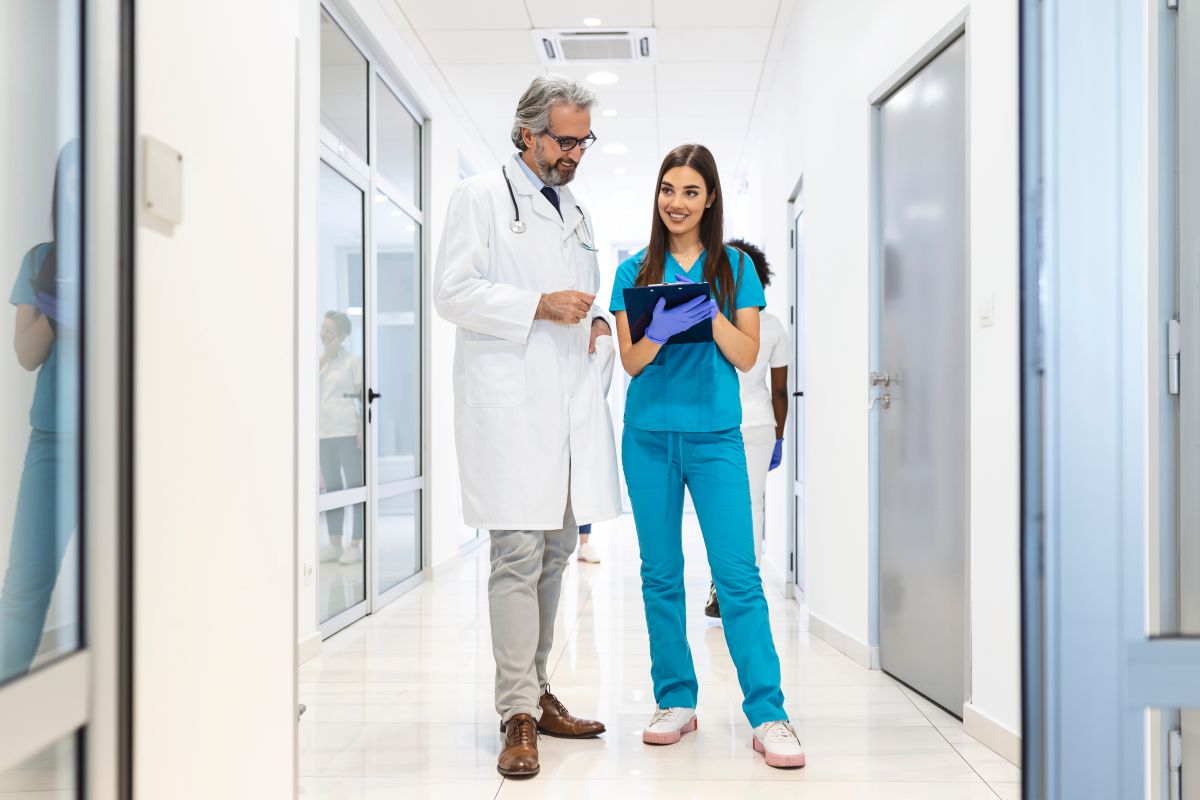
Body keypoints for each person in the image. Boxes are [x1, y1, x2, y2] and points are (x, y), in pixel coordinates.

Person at [433, 74, 621, 779]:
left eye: (583, 141)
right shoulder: (479, 197)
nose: (574, 153)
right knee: (515, 553)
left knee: (554, 553)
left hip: (565, 409)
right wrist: (537, 304)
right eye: (563, 140)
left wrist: (594, 322)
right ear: (527, 132)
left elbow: (581, 302)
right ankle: (514, 711)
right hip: (509, 409)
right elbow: (452, 292)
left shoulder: (577, 212)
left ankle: (538, 691)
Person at [610, 144, 805, 769]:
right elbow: (632, 361)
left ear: (710, 199)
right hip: (648, 438)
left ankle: (769, 713)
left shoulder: (736, 267)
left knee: (739, 576)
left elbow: (747, 355)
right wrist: (662, 324)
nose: (677, 202)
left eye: (691, 191)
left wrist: (704, 309)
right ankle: (675, 699)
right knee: (660, 574)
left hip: (718, 437)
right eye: (668, 189)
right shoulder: (634, 270)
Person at [2, 142, 82, 683]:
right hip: (52, 442)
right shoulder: (40, 259)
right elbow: (27, 355)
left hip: (121, 441)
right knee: (25, 585)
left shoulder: (133, 254)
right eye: (75, 180)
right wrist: (59, 308)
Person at [704, 239, 791, 618]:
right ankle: (741, 589)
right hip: (758, 426)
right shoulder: (772, 328)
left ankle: (720, 586)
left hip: (717, 423)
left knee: (717, 509)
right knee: (751, 507)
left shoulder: (710, 319)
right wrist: (780, 436)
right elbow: (781, 391)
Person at [318, 310, 364, 566]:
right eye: (323, 329)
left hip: (347, 432)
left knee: (355, 486)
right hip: (324, 433)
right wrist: (326, 356)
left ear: (343, 335)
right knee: (333, 487)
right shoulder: (319, 362)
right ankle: (335, 543)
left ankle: (355, 544)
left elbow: (361, 398)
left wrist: (360, 429)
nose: (324, 334)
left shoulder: (352, 361)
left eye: (329, 331)